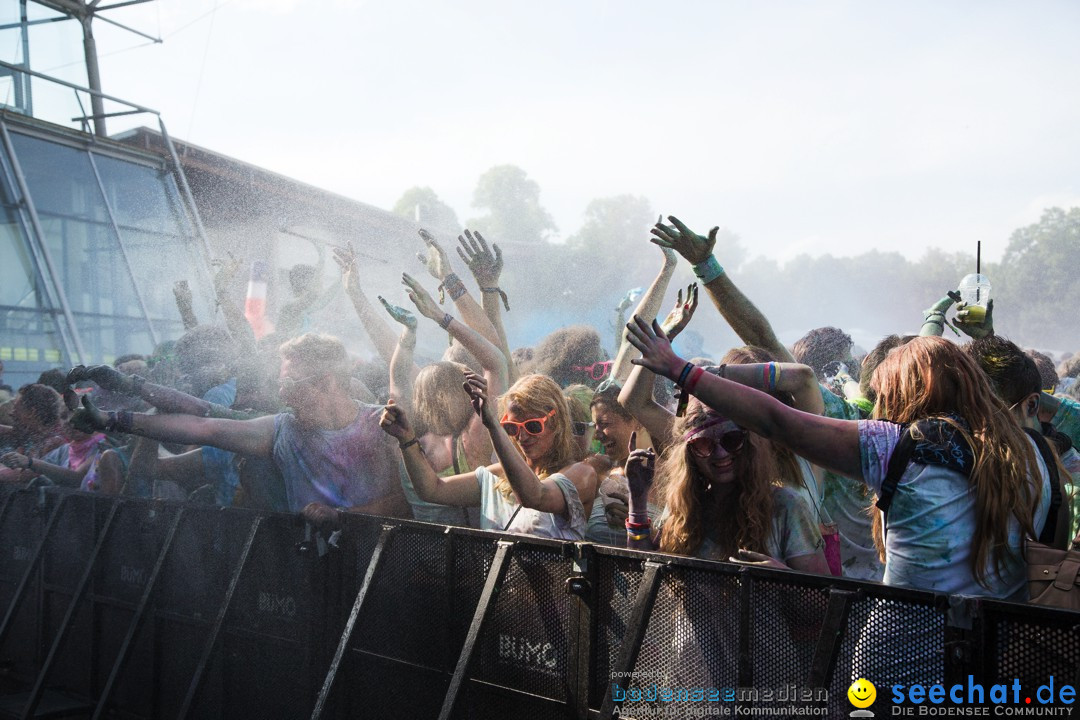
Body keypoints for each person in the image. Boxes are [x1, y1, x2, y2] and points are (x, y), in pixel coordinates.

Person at [625, 319, 1062, 597]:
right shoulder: (1037, 453)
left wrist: (685, 371)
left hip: (903, 661)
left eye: (887, 397)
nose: (879, 409)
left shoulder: (896, 447)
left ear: (913, 396)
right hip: (991, 659)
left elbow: (778, 421)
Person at [71, 333, 409, 519]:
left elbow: (408, 501)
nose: (282, 395)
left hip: (383, 573)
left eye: (288, 384)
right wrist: (114, 418)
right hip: (310, 575)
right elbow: (205, 425)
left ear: (324, 381)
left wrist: (342, 517)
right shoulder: (282, 429)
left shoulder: (383, 424)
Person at [379, 372, 597, 540]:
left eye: (532, 426)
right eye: (511, 428)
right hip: (498, 597)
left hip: (553, 599)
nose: (521, 436)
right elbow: (431, 489)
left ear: (556, 422)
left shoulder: (580, 474)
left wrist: (492, 425)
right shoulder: (497, 477)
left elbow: (535, 496)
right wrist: (406, 440)